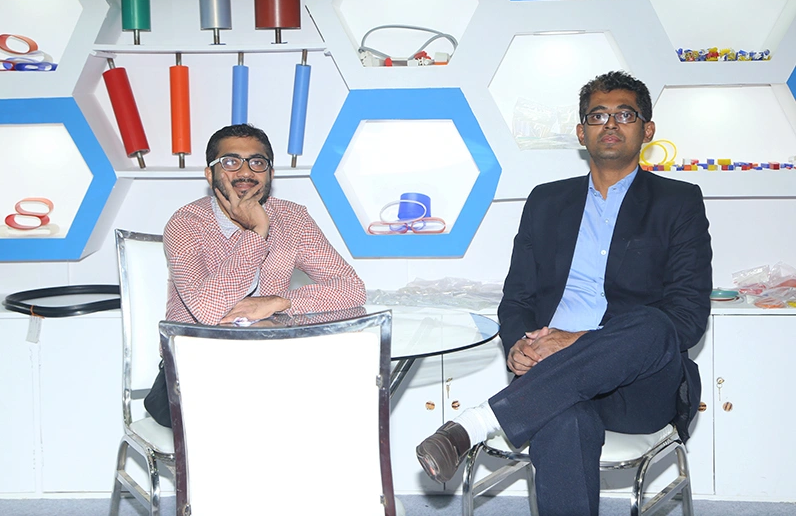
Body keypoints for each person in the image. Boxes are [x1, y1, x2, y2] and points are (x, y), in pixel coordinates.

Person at [416, 71, 712, 515]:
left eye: (624, 114)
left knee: (654, 323)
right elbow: (517, 299)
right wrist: (520, 344)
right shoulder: (546, 201)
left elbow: (687, 319)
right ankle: (504, 412)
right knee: (563, 421)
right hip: (550, 377)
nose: (610, 124)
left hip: (639, 385)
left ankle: (478, 422)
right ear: (581, 132)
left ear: (647, 129)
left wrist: (575, 342)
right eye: (597, 115)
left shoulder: (678, 202)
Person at [144, 123, 366, 426]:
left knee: (348, 401)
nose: (245, 172)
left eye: (257, 162)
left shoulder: (293, 218)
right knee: (274, 422)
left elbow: (351, 288)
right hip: (195, 371)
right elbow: (208, 310)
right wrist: (257, 232)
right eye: (230, 162)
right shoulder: (187, 224)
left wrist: (279, 302)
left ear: (271, 174)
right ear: (209, 174)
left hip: (271, 366)